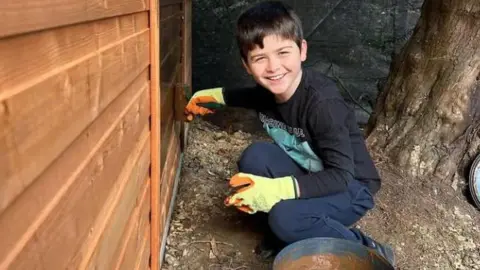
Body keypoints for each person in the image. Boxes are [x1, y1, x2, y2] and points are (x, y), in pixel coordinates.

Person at [184, 0, 395, 266]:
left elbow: (341, 175)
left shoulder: (322, 104)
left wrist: (277, 189)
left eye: (283, 52)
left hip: (351, 187)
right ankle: (286, 233)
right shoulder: (269, 93)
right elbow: (247, 96)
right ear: (247, 66)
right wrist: (212, 96)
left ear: (302, 50)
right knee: (255, 156)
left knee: (286, 217)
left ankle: (367, 248)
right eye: (260, 58)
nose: (273, 67)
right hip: (313, 172)